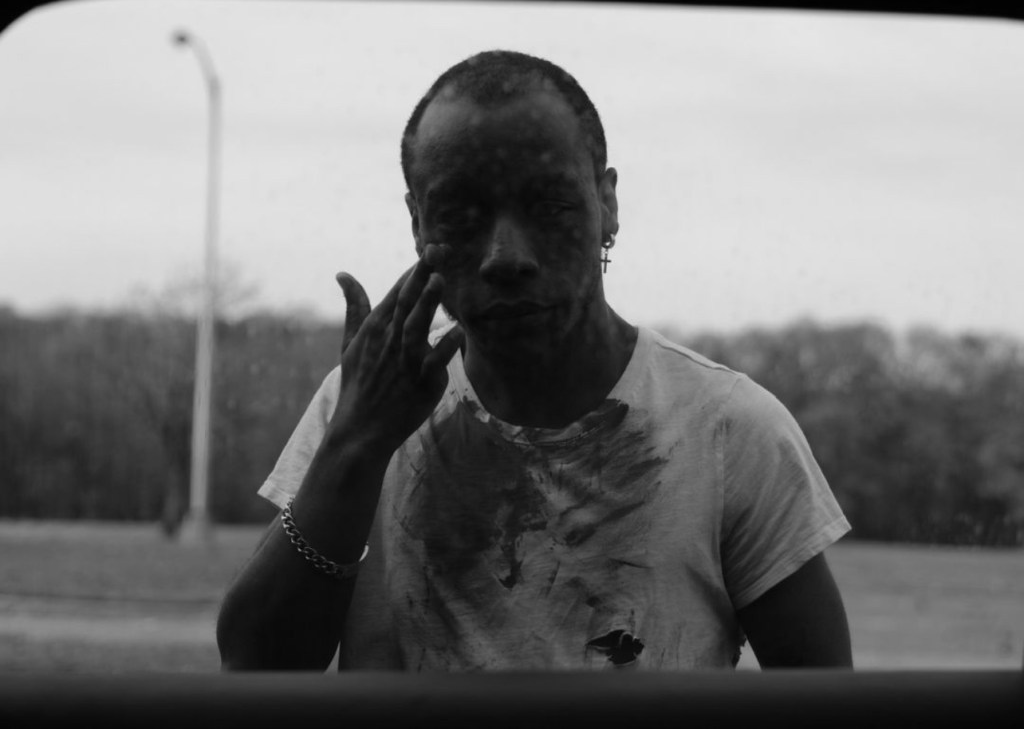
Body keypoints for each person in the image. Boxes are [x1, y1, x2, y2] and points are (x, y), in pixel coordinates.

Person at [216, 50, 853, 672]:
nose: (506, 256)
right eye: (460, 215)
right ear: (417, 224)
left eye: (548, 206)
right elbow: (255, 668)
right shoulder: (360, 404)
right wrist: (355, 444)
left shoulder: (728, 427)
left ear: (607, 203)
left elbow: (825, 703)